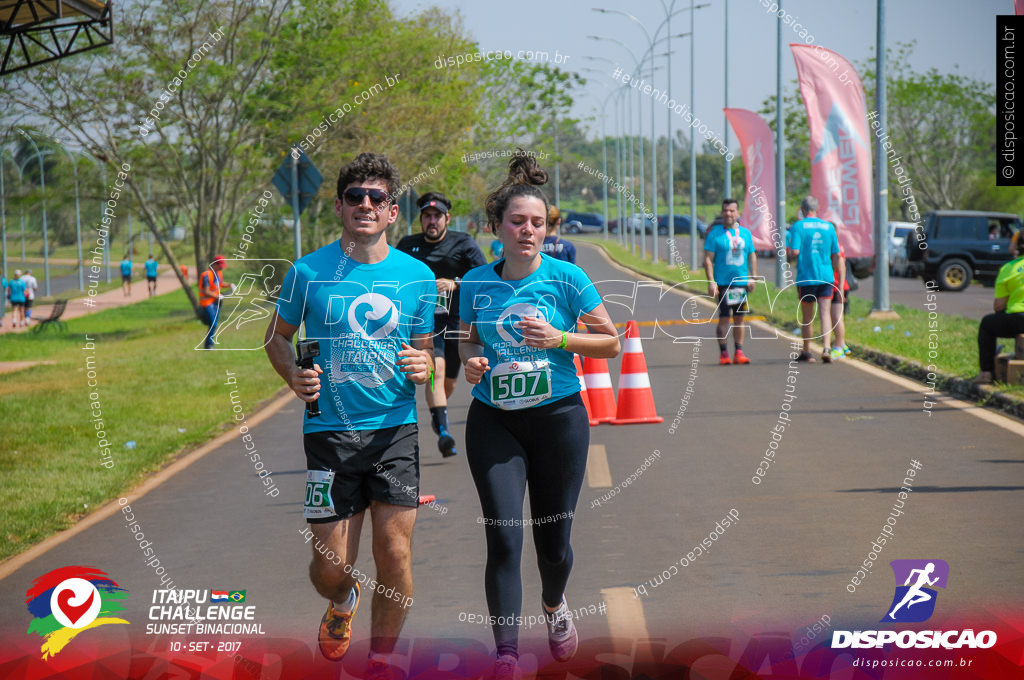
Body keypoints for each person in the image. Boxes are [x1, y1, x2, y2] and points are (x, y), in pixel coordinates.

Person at [264, 153, 436, 679]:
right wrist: (292, 374)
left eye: (377, 197)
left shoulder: (417, 277)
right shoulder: (307, 272)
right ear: (339, 206)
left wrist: (424, 365)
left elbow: (424, 353)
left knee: (395, 554)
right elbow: (275, 337)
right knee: (330, 568)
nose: (366, 204)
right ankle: (343, 600)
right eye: (356, 196)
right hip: (329, 434)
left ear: (391, 212)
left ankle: (381, 660)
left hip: (394, 431)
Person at [459, 151, 620, 679]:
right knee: (504, 534)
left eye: (537, 223)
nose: (528, 231)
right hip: (495, 421)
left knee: (554, 546)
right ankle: (506, 652)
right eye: (517, 222)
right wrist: (471, 362)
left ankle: (554, 604)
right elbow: (467, 339)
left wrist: (561, 338)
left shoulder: (568, 278)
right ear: (495, 228)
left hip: (557, 420)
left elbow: (610, 343)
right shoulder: (478, 283)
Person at [397, 191, 486, 458]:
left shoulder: (464, 244)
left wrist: (455, 283)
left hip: (457, 322)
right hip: (424, 322)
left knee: (448, 384)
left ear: (447, 218)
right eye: (427, 216)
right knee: (435, 369)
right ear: (421, 220)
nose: (432, 221)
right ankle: (445, 433)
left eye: (437, 216)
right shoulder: (407, 245)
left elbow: (484, 277)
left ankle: (440, 415)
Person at [704, 198, 757, 365]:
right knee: (725, 317)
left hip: (741, 284)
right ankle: (724, 353)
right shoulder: (714, 234)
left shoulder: (746, 234)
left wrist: (753, 276)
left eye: (732, 211)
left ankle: (739, 352)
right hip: (723, 284)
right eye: (726, 210)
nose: (728, 213)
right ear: (722, 213)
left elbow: (752, 255)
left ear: (738, 213)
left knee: (740, 319)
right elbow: (707, 260)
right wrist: (711, 282)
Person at [787, 196, 840, 363]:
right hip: (826, 276)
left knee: (807, 316)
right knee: (825, 313)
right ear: (818, 209)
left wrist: (789, 254)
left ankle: (807, 351)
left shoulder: (799, 226)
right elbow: (836, 253)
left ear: (802, 210)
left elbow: (794, 252)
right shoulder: (829, 227)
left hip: (807, 278)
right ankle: (826, 348)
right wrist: (833, 270)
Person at [974, 234, 1024, 385]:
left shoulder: (1009, 268)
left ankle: (986, 373)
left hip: (1019, 318)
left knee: (987, 324)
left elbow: (999, 306)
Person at [198, 255, 233, 349]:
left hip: (216, 302)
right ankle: (208, 345)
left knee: (214, 324)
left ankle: (210, 344)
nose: (222, 268)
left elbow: (220, 283)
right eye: (220, 266)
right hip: (207, 303)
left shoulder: (219, 273)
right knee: (213, 324)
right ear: (214, 264)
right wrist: (217, 296)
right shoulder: (206, 275)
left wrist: (230, 285)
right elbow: (206, 291)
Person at [828, 244, 851, 361]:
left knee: (836, 318)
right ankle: (841, 343)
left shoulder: (835, 247)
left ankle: (838, 347)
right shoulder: (834, 246)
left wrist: (840, 289)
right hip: (834, 286)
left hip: (836, 287)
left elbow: (842, 267)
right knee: (835, 318)